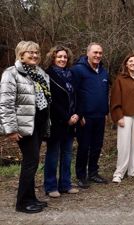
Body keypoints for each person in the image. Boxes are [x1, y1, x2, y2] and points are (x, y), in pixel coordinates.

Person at [0, 41, 51, 213]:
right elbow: (5, 104)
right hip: (23, 125)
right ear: (21, 54)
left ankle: (31, 198)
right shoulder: (12, 73)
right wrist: (11, 129)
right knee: (31, 161)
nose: (35, 55)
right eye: (30, 52)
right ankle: (23, 202)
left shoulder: (39, 73)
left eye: (36, 52)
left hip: (38, 123)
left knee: (33, 161)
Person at [43, 46, 80, 197]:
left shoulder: (71, 74)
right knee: (52, 154)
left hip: (72, 121)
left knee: (67, 153)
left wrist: (77, 114)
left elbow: (77, 96)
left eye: (65, 57)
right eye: (59, 57)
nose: (62, 59)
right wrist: (66, 117)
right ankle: (51, 186)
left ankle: (65, 184)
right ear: (53, 58)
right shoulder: (47, 75)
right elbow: (50, 100)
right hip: (57, 121)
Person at [72, 43, 109, 188]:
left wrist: (105, 112)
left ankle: (93, 172)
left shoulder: (104, 71)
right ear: (88, 53)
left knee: (97, 146)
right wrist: (79, 114)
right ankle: (81, 176)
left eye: (100, 53)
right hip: (85, 117)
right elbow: (74, 94)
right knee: (84, 146)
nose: (98, 55)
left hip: (100, 115)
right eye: (95, 52)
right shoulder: (78, 70)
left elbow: (105, 93)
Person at [110, 53, 134, 183]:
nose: (133, 63)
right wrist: (118, 116)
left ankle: (133, 170)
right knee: (123, 144)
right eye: (131, 61)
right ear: (126, 64)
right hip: (125, 116)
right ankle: (119, 172)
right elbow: (115, 99)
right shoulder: (120, 80)